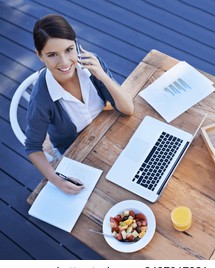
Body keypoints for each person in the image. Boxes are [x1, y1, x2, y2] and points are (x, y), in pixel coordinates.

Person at [25, 14, 134, 195]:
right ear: (40, 56)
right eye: (52, 55)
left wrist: (102, 75)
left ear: (76, 44)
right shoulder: (41, 98)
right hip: (76, 151)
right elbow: (32, 147)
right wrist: (56, 180)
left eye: (69, 50)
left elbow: (127, 109)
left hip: (107, 133)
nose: (65, 62)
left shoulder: (91, 65)